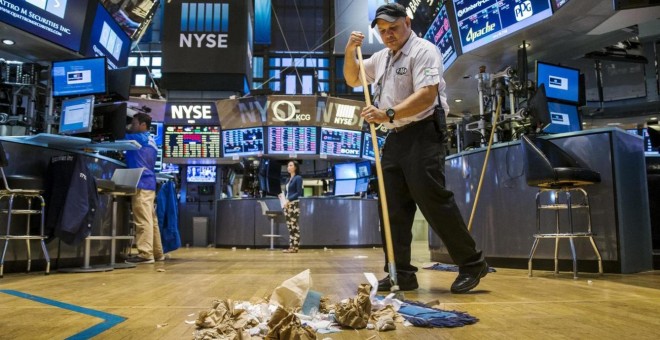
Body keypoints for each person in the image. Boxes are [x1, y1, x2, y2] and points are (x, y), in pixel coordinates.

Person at [343, 3, 488, 294]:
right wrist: (349, 51)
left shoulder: (424, 50)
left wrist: (388, 114)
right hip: (395, 138)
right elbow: (353, 77)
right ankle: (401, 274)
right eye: (382, 31)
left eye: (393, 28)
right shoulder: (382, 57)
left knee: (433, 200)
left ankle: (472, 264)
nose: (388, 35)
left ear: (407, 22)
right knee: (392, 207)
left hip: (424, 132)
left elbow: (427, 96)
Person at [125, 112, 165, 264]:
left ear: (143, 125)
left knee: (142, 220)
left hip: (141, 182)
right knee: (151, 220)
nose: (131, 127)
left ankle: (145, 254)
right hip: (149, 182)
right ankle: (157, 252)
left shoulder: (137, 138)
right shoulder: (151, 139)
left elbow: (114, 137)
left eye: (134, 124)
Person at [281, 160, 303, 253]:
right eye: (288, 165)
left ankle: (295, 247)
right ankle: (291, 247)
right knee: (290, 227)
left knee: (294, 226)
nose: (288, 167)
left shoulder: (298, 178)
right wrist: (283, 197)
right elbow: (287, 193)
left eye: (290, 165)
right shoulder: (288, 179)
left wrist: (289, 200)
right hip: (287, 205)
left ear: (295, 167)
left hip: (294, 204)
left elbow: (299, 192)